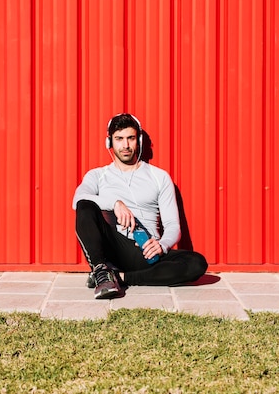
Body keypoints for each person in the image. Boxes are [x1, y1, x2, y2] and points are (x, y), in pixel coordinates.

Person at [72, 113, 208, 299]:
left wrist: (162, 245)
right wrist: (114, 203)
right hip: (116, 246)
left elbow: (173, 226)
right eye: (119, 139)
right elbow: (78, 199)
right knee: (85, 206)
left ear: (139, 141)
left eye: (131, 138)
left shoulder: (159, 177)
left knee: (197, 263)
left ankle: (120, 278)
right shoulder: (97, 175)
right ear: (109, 143)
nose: (125, 145)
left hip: (148, 251)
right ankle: (101, 271)